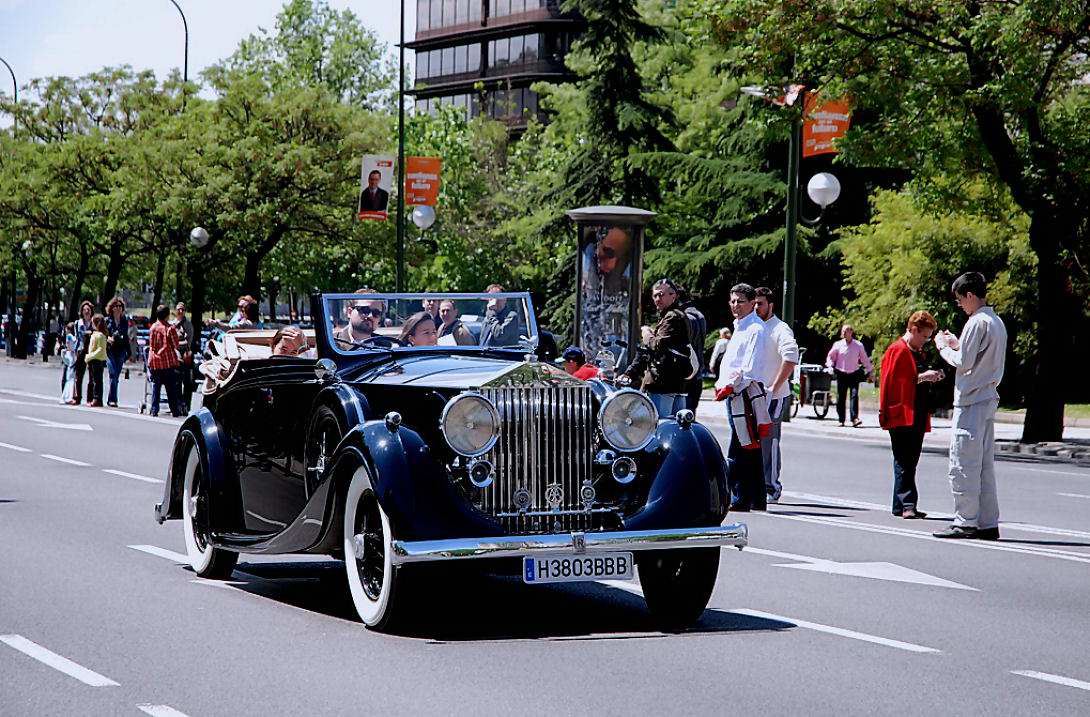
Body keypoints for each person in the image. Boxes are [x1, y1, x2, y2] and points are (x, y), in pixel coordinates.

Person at [932, 272, 1008, 540]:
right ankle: (988, 522)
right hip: (988, 397)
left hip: (971, 400)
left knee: (963, 462)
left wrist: (943, 347)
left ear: (970, 296)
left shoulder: (976, 322)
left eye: (960, 300)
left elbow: (963, 362)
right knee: (984, 466)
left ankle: (965, 521)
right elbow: (974, 354)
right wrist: (957, 343)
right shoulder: (995, 322)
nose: (960, 305)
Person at [880, 310, 944, 520]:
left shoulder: (916, 352)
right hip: (901, 412)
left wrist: (931, 377)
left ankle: (901, 504)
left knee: (910, 460)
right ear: (914, 330)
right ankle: (907, 504)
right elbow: (892, 382)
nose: (925, 341)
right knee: (904, 459)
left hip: (916, 411)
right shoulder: (897, 350)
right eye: (924, 336)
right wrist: (922, 377)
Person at [714, 283, 770, 512]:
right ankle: (756, 497)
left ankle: (741, 496)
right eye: (733, 301)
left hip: (743, 393)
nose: (735, 305)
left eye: (740, 301)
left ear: (751, 304)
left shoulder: (755, 329)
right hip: (735, 391)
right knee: (749, 445)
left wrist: (731, 385)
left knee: (740, 446)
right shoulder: (740, 327)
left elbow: (750, 367)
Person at [622, 278, 694, 418]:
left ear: (673, 295)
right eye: (655, 295)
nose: (657, 299)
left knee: (658, 428)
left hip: (662, 383)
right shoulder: (676, 316)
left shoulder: (672, 317)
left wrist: (646, 334)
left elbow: (657, 346)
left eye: (661, 294)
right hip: (677, 384)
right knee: (675, 430)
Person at [754, 287, 799, 504]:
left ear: (770, 305)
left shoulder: (780, 329)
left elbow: (791, 357)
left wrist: (773, 387)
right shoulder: (751, 326)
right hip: (750, 395)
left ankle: (771, 487)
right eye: (754, 303)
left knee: (768, 441)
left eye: (760, 303)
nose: (756, 307)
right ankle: (750, 485)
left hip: (774, 396)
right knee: (748, 441)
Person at [825, 324, 873, 427]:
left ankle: (854, 418)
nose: (843, 333)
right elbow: (830, 357)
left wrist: (870, 370)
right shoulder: (838, 345)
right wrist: (830, 366)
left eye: (846, 330)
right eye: (842, 331)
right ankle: (841, 419)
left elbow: (864, 359)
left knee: (854, 395)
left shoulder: (858, 345)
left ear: (851, 332)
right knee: (841, 397)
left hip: (853, 373)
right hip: (841, 373)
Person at [147, 304, 184, 417]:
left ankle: (154, 409)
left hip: (154, 361)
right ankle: (175, 410)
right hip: (167, 362)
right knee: (171, 388)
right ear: (167, 315)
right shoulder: (170, 328)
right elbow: (176, 345)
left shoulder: (153, 327)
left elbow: (152, 345)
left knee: (156, 387)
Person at [677, 285, 708, 414]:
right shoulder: (699, 315)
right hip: (697, 374)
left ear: (676, 297)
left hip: (686, 375)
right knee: (690, 415)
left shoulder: (685, 317)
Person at [103, 297, 131, 407]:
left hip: (121, 350)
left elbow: (126, 336)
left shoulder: (124, 321)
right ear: (112, 308)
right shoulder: (106, 321)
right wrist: (108, 338)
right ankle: (112, 399)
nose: (118, 308)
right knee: (112, 373)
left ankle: (113, 398)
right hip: (110, 350)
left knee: (116, 375)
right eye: (116, 306)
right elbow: (102, 334)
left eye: (120, 306)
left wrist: (130, 353)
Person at [69, 300, 95, 405]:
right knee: (78, 376)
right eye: (84, 310)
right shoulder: (77, 323)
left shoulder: (94, 323)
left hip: (91, 350)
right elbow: (75, 337)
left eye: (88, 310)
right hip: (80, 350)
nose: (86, 311)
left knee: (91, 377)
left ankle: (90, 399)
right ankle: (77, 397)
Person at [171, 302, 196, 411]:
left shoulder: (188, 324)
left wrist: (178, 345)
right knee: (176, 381)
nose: (180, 311)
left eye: (183, 309)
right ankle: (178, 404)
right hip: (175, 355)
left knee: (187, 382)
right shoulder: (172, 324)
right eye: (179, 309)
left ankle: (186, 405)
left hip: (186, 355)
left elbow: (188, 341)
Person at [85, 314, 108, 408]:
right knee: (94, 380)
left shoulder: (101, 335)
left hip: (97, 360)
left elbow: (100, 350)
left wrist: (89, 356)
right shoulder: (95, 334)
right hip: (93, 360)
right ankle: (95, 398)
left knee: (97, 381)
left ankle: (97, 398)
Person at [59, 322, 78, 404]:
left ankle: (67, 396)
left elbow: (69, 346)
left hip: (70, 357)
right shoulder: (71, 337)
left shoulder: (69, 336)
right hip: (71, 356)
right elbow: (70, 347)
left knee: (69, 378)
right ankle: (68, 397)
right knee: (70, 378)